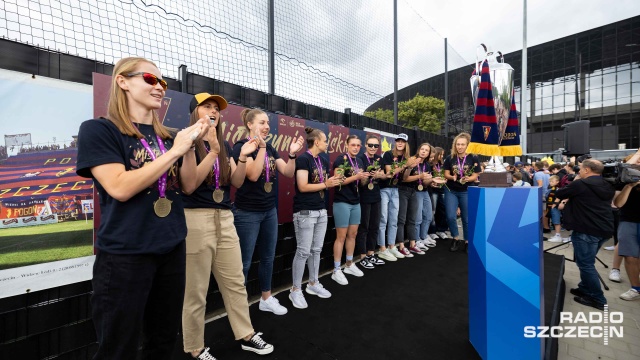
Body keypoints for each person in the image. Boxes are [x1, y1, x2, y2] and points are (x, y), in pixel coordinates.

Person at [76, 57, 208, 359]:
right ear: (122, 81)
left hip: (172, 247)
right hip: (125, 254)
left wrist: (187, 147)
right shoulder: (100, 130)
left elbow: (187, 186)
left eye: (163, 82)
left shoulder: (170, 136)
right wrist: (175, 150)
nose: (160, 87)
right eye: (150, 78)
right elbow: (119, 187)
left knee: (162, 340)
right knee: (118, 347)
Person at [181, 93, 273, 358]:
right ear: (194, 112)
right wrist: (212, 151)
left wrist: (242, 157)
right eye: (206, 107)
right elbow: (189, 185)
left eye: (216, 108)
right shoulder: (185, 140)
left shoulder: (222, 142)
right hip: (195, 218)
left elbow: (237, 182)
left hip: (225, 216)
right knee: (196, 290)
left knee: (235, 282)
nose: (213, 111)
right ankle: (195, 348)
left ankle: (246, 334)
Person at [232, 109, 304, 315]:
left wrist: (291, 154)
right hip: (247, 213)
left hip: (269, 211)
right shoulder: (241, 147)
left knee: (268, 258)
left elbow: (288, 172)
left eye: (267, 123)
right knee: (244, 263)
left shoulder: (270, 147)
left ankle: (266, 298)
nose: (267, 127)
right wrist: (261, 147)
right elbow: (253, 176)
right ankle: (239, 307)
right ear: (249, 125)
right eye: (262, 123)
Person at [288, 127, 341, 308]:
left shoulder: (324, 160)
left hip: (321, 210)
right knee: (303, 251)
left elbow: (322, 185)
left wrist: (331, 182)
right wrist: (326, 183)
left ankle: (312, 283)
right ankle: (295, 290)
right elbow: (302, 186)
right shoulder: (303, 159)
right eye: (325, 140)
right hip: (305, 212)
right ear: (317, 142)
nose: (327, 143)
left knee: (316, 250)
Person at [556, 159, 615, 310]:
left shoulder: (580, 184)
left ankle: (598, 299)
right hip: (604, 229)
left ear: (587, 170)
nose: (579, 171)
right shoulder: (608, 184)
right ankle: (585, 288)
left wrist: (575, 180)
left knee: (586, 264)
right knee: (587, 261)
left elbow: (560, 192)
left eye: (581, 169)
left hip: (586, 230)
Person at [331, 135, 370, 285]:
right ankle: (336, 270)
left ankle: (349, 264)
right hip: (342, 202)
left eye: (358, 145)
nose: (355, 147)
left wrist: (366, 177)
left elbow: (361, 183)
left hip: (356, 202)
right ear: (346, 145)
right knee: (341, 237)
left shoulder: (359, 161)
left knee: (353, 235)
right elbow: (337, 181)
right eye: (353, 145)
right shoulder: (341, 160)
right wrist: (356, 177)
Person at [443, 133, 481, 252]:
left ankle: (467, 241)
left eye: (462, 144)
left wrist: (468, 179)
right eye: (458, 144)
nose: (460, 147)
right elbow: (446, 174)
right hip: (451, 190)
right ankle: (455, 238)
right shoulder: (450, 158)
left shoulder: (473, 157)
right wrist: (451, 177)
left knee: (466, 218)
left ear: (467, 145)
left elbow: (476, 174)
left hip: (466, 190)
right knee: (450, 216)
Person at [356, 134, 387, 269]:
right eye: (370, 145)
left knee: (374, 226)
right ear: (365, 145)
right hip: (363, 197)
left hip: (376, 196)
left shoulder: (379, 159)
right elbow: (360, 181)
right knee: (364, 227)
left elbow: (386, 176)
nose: (373, 148)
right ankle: (363, 256)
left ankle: (371, 253)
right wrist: (366, 176)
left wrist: (381, 175)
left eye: (376, 146)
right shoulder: (360, 158)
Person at [612, 151, 640, 301]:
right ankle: (635, 288)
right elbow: (618, 204)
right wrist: (629, 186)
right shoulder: (624, 181)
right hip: (628, 220)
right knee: (630, 256)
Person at [408, 142, 433, 251]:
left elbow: (426, 182)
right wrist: (420, 176)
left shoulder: (427, 165)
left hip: (425, 190)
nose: (424, 151)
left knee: (428, 215)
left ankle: (423, 237)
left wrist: (432, 181)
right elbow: (405, 178)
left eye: (426, 150)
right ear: (418, 150)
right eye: (422, 149)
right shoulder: (412, 160)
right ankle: (416, 239)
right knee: (417, 218)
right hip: (414, 191)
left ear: (429, 153)